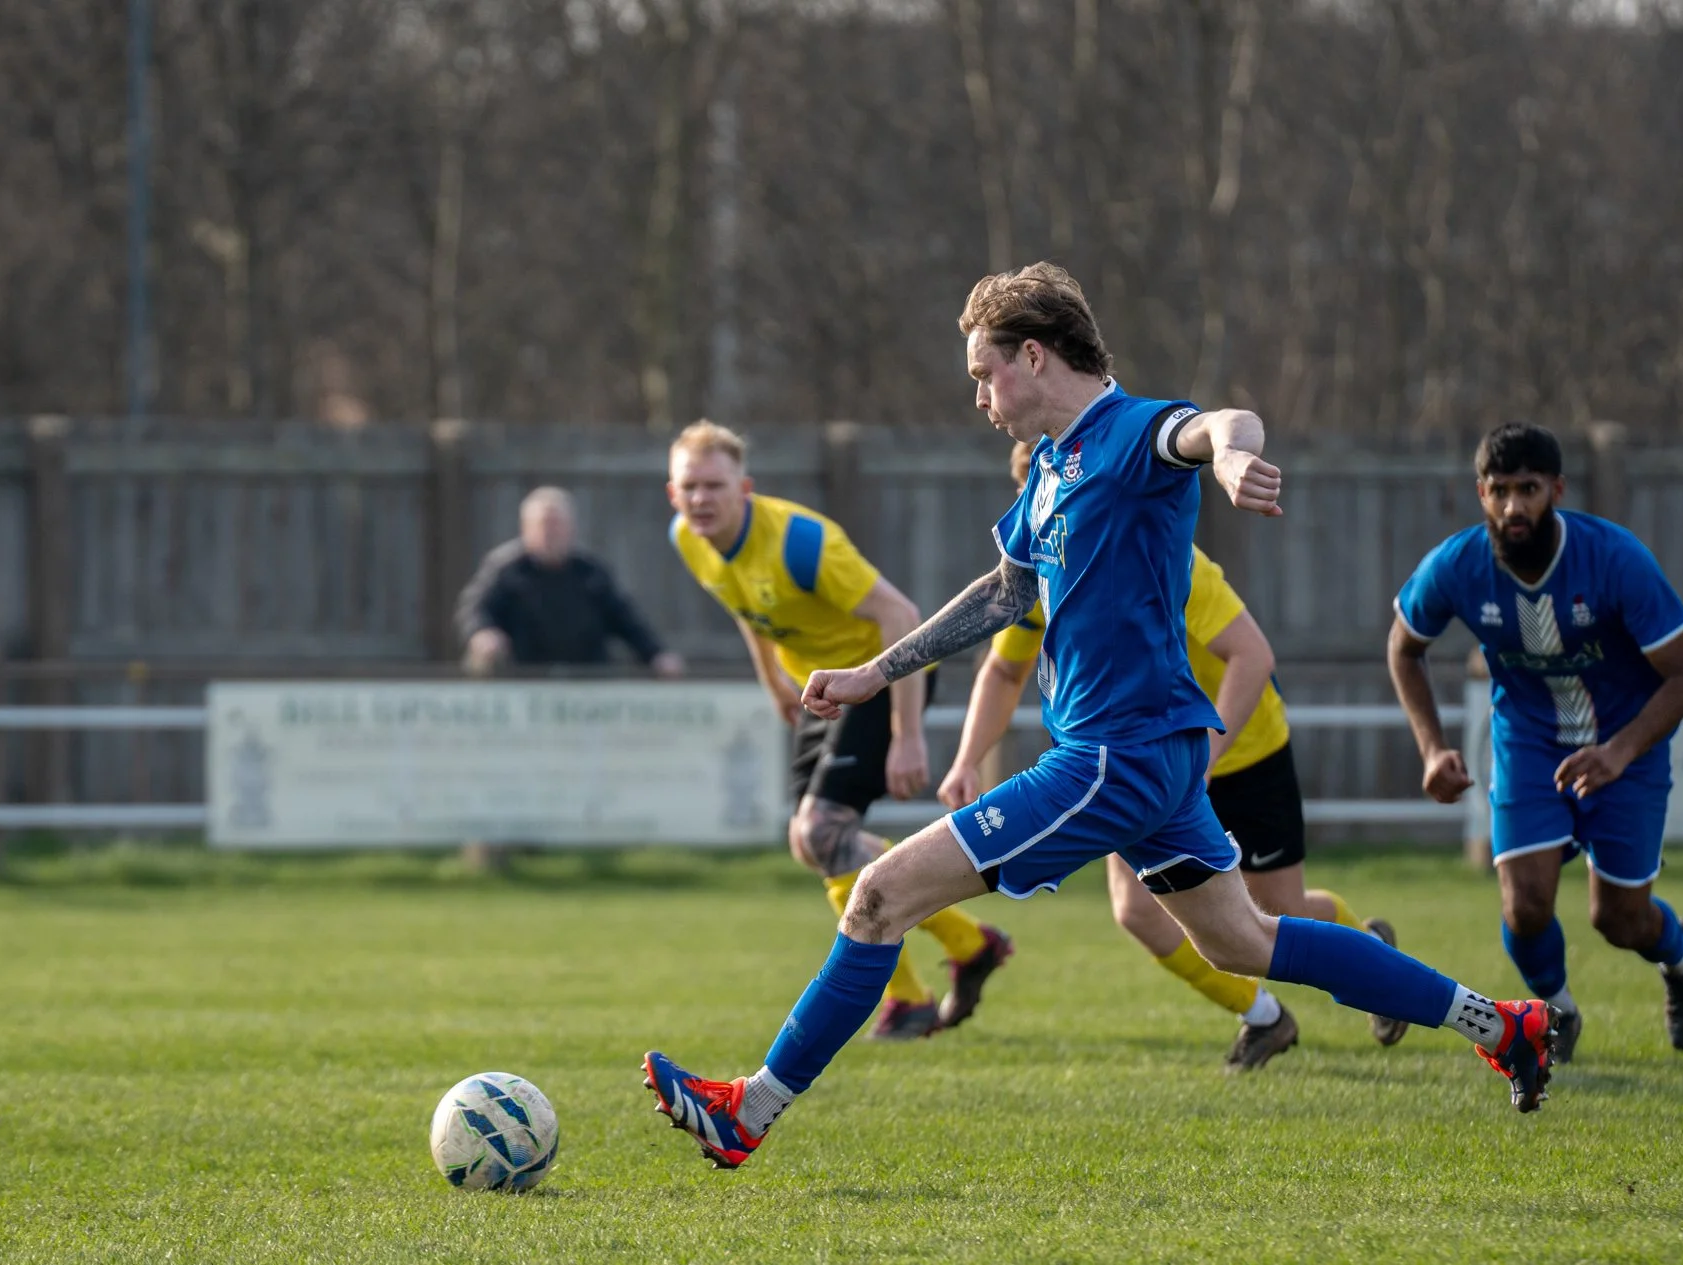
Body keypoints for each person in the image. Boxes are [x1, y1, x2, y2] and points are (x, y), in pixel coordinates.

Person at [643, 263, 1558, 1170]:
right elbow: (1004, 594)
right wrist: (876, 673)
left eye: (981, 372)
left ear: (1033, 357)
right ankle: (1505, 1024)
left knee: (881, 897)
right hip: (1147, 759)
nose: (978, 396)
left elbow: (1218, 424)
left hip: (1112, 759)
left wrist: (1234, 456)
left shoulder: (1130, 432)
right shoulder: (1048, 470)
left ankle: (748, 1112)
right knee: (1244, 939)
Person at [937, 441, 1408, 1070]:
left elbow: (1252, 658)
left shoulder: (1164, 557)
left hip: (1240, 747)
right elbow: (1002, 674)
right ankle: (1264, 1017)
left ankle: (1372, 952)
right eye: (1033, 493)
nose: (1047, 509)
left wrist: (1205, 758)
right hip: (1145, 760)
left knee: (1277, 913)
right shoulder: (1041, 577)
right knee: (1138, 911)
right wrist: (968, 757)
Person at [665, 420, 1013, 1039]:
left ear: (743, 488)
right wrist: (772, 679)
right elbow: (745, 607)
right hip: (819, 693)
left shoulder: (803, 543)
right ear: (673, 493)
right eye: (689, 486)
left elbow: (901, 616)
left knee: (820, 831)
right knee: (817, 844)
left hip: (879, 680)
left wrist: (907, 735)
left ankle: (920, 990)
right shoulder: (691, 541)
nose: (701, 499)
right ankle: (960, 951)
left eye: (714, 485)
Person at [1389, 423, 1683, 1063]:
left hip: (1626, 749)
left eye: (1528, 490)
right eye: (1500, 491)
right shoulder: (1457, 565)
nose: (1513, 507)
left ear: (1557, 489)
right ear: (1480, 493)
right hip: (1529, 744)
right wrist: (1431, 748)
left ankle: (1682, 958)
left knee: (1617, 920)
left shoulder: (1615, 560)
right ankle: (1556, 1014)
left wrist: (1619, 752)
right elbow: (1403, 647)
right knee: (1525, 904)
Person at [457, 486, 685, 677]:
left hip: (586, 685)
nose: (550, 532)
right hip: (523, 685)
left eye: (556, 524)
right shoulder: (505, 569)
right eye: (543, 524)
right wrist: (482, 633)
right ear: (525, 528)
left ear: (571, 528)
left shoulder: (591, 573)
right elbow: (474, 609)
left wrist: (656, 655)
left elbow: (626, 619)